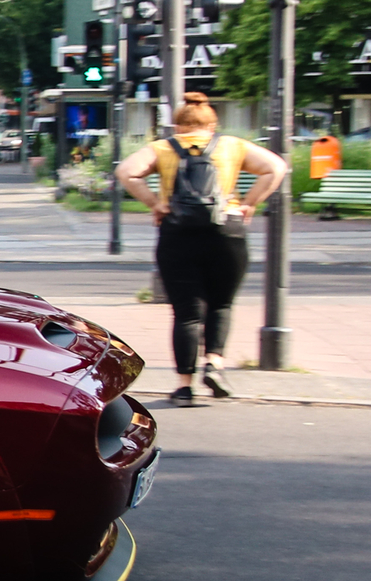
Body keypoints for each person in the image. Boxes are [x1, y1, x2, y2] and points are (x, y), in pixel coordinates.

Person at [117, 95, 289, 407]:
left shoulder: (163, 148)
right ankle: (214, 364)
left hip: (177, 231)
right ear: (212, 124)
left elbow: (127, 172)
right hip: (227, 230)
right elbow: (275, 168)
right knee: (221, 304)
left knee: (185, 313)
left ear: (177, 124)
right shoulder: (232, 146)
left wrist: (156, 204)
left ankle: (184, 386)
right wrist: (249, 203)